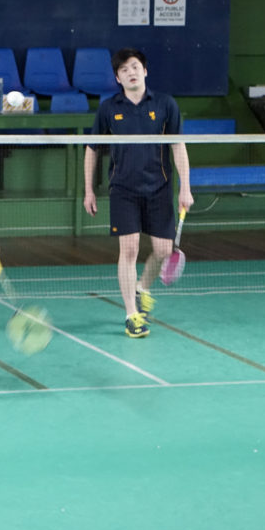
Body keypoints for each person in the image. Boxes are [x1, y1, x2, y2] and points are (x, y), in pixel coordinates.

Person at [83, 48, 193, 338]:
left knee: (162, 250)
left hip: (160, 187)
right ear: (118, 78)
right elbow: (92, 149)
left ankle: (143, 286)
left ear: (145, 71)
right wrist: (88, 191)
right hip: (123, 190)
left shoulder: (166, 105)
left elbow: (178, 146)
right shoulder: (109, 108)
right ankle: (132, 314)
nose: (130, 72)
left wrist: (186, 187)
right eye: (124, 70)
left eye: (135, 67)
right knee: (129, 249)